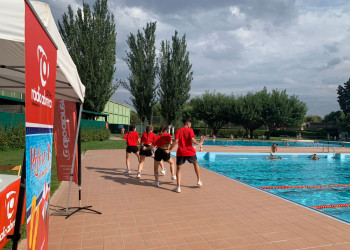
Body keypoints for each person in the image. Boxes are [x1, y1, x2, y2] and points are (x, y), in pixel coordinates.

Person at [168, 118, 204, 193]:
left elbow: (176, 141)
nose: (190, 125)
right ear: (188, 123)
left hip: (181, 152)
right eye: (190, 124)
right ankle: (199, 180)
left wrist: (169, 149)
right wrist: (199, 143)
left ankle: (178, 187)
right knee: (195, 163)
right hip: (190, 151)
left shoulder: (178, 130)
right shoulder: (190, 130)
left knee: (179, 169)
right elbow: (192, 140)